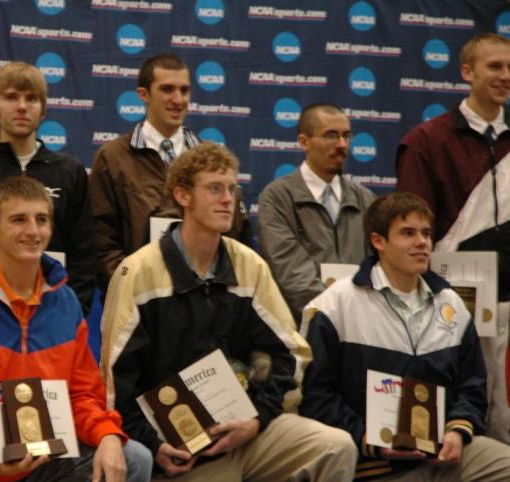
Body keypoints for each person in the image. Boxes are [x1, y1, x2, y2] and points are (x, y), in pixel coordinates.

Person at [101, 143, 357, 481]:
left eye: (232, 189)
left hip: (246, 432)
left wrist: (256, 420)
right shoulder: (138, 272)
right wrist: (154, 445)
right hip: (178, 449)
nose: (228, 199)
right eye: (214, 189)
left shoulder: (249, 265)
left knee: (336, 446)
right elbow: (115, 384)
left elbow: (289, 353)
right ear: (182, 195)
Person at [0, 176, 152, 482]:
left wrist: (106, 434)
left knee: (133, 459)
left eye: (41, 219)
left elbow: (82, 393)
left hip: (43, 460)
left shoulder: (64, 301)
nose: (32, 231)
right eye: (18, 220)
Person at [300, 192, 510, 480]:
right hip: (375, 462)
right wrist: (369, 440)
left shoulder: (451, 303)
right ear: (378, 242)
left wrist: (458, 430)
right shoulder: (334, 305)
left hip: (446, 455)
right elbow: (317, 397)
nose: (422, 242)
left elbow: (472, 385)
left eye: (426, 233)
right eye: (408, 233)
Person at [396, 32, 510, 442]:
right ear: (467, 71)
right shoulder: (427, 141)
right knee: (461, 412)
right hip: (452, 300)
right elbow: (408, 232)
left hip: (509, 303)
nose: (505, 76)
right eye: (495, 66)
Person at [89, 53, 252, 292]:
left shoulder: (215, 160)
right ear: (143, 95)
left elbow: (236, 234)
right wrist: (130, 288)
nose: (178, 99)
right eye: (167, 89)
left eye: (184, 91)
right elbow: (101, 240)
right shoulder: (112, 158)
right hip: (138, 299)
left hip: (207, 299)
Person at [0, 61, 95, 314]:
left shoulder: (70, 171)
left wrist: (75, 309)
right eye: (11, 97)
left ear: (43, 110)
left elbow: (83, 252)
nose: (21, 107)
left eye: (31, 99)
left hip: (56, 308)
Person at [258, 103, 375, 323]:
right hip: (303, 326)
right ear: (304, 142)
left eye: (346, 136)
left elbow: (377, 268)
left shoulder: (365, 199)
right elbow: (292, 276)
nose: (342, 144)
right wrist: (337, 317)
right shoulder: (277, 197)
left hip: (362, 326)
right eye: (331, 136)